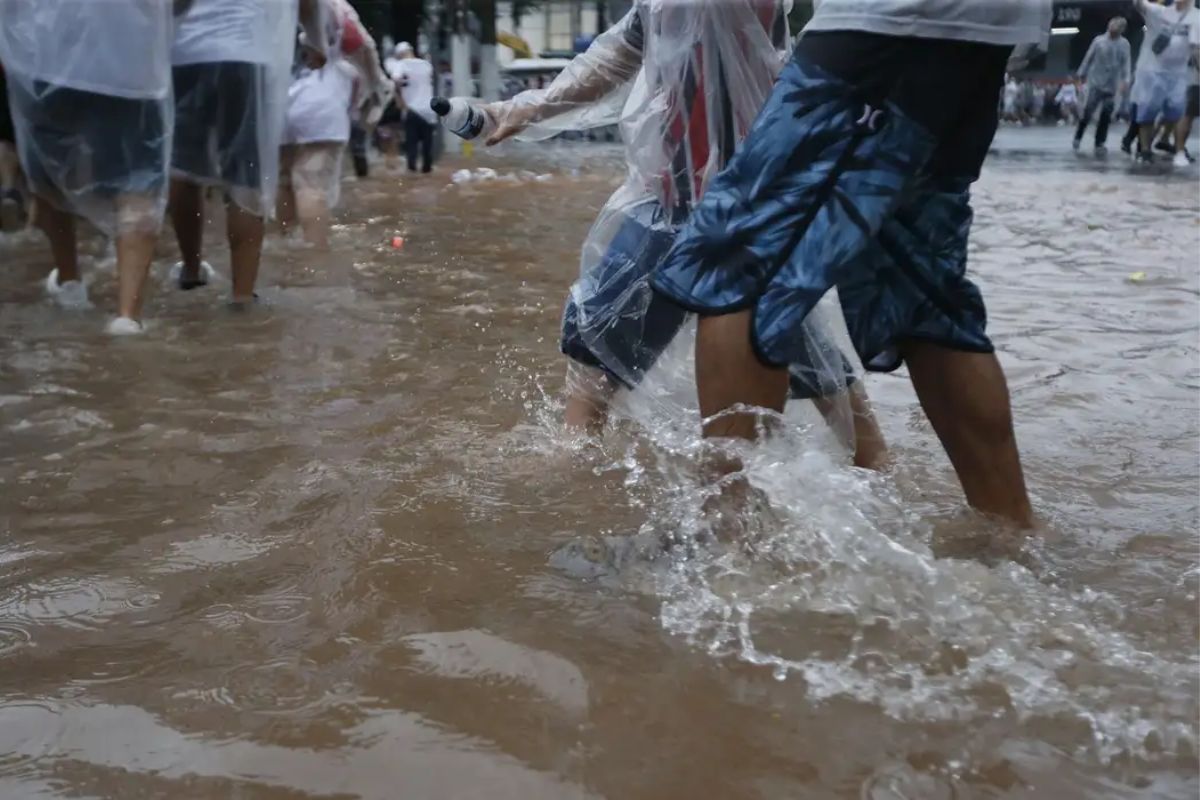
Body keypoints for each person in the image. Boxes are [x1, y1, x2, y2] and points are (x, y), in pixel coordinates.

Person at [649, 0, 1053, 528]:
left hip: (891, 23)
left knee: (737, 254)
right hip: (978, 30)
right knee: (922, 291)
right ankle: (1011, 537)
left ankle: (723, 534)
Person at [479, 0, 888, 469]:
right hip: (671, 195)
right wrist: (526, 109)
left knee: (794, 338)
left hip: (744, 196)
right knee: (601, 330)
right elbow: (621, 52)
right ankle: (570, 475)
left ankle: (872, 465)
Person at [0, 0, 177, 331]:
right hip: (131, 64)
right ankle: (127, 316)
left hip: (49, 62)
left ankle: (70, 281)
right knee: (137, 186)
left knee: (51, 173)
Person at [167, 0, 324, 300]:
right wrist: (316, 42)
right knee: (245, 173)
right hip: (246, 53)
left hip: (186, 52)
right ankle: (242, 295)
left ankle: (191, 269)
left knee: (182, 167)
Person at [279, 0, 389, 248]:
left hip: (279, 98)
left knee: (283, 180)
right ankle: (314, 258)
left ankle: (284, 248)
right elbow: (363, 45)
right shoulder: (336, 5)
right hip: (320, 98)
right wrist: (376, 87)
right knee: (310, 181)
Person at [1131, 0, 1200, 166]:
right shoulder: (1158, 12)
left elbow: (1196, 48)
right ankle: (1145, 151)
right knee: (1148, 112)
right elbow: (1138, 4)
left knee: (1177, 113)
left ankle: (1177, 148)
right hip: (1152, 71)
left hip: (1178, 74)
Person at [1074, 17, 1132, 154]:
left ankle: (1099, 142)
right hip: (1095, 82)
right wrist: (1081, 75)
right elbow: (1088, 58)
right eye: (1112, 26)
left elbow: (1126, 63)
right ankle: (1078, 136)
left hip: (1112, 84)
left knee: (1106, 113)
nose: (1113, 29)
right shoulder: (1099, 41)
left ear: (1122, 30)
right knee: (1088, 112)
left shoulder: (1124, 44)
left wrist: (1126, 80)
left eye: (1118, 28)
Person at [389, 42, 436, 174]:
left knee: (412, 148)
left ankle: (412, 175)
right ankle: (427, 172)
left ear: (399, 54)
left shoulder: (401, 64)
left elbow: (395, 80)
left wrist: (399, 99)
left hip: (412, 111)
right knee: (427, 148)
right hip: (429, 111)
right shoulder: (426, 65)